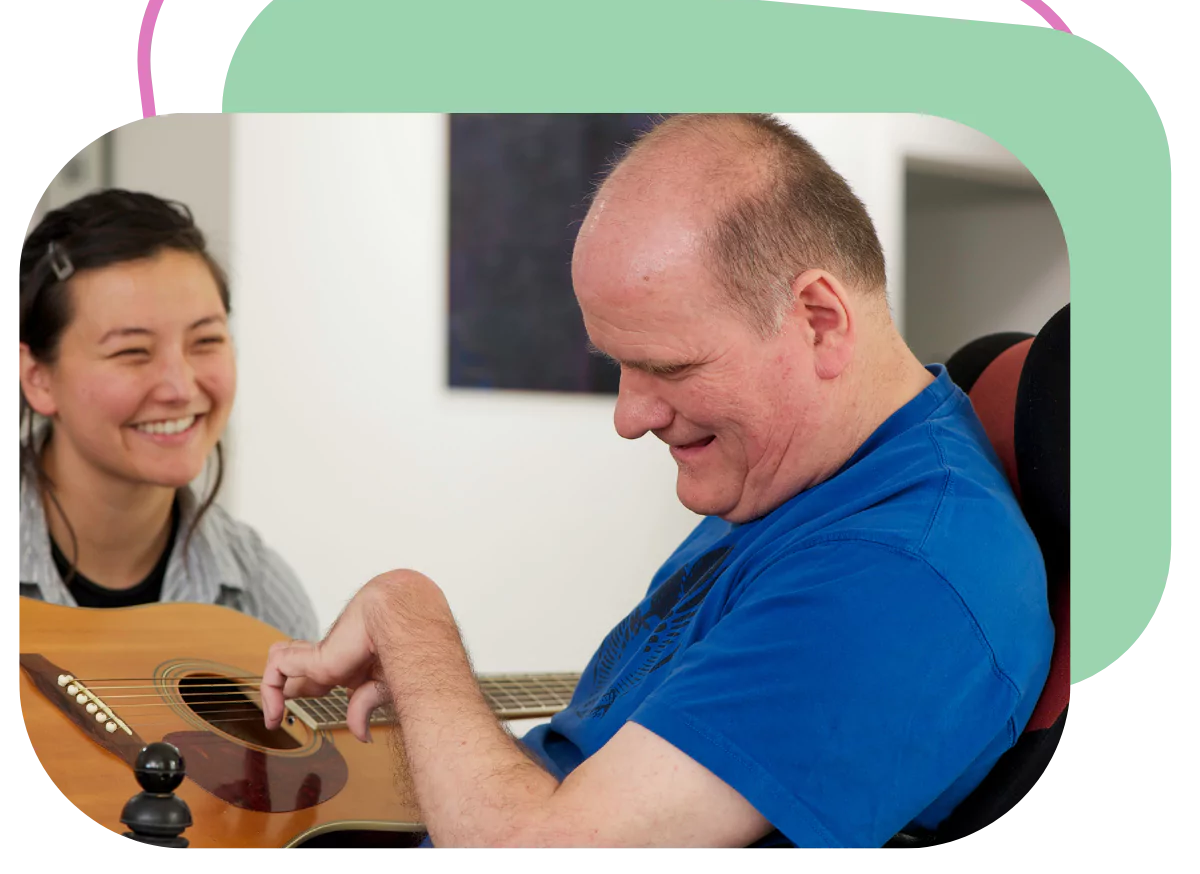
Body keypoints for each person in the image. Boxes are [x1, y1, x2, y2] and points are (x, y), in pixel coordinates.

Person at [258, 114, 1055, 849]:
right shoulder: (790, 480)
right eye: (618, 365)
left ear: (819, 318)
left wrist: (409, 618)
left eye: (667, 367)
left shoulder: (898, 577)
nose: (630, 416)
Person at [17, 189, 319, 642]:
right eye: (133, 352)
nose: (181, 388)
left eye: (206, 341)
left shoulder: (263, 599)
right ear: (39, 378)